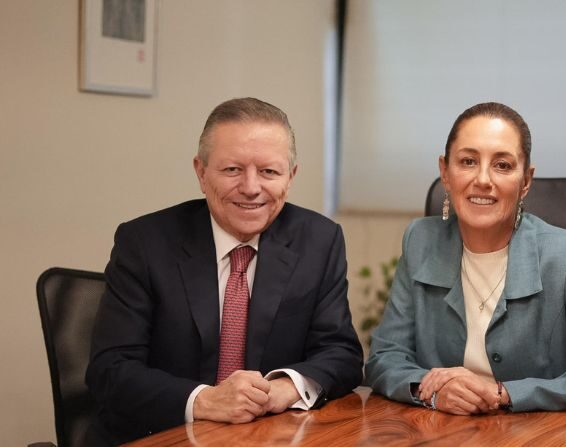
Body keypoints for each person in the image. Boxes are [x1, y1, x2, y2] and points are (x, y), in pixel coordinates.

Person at [86, 97, 364, 444]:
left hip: (265, 437)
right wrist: (205, 400)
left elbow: (342, 353)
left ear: (290, 177)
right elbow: (110, 371)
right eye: (232, 169)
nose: (251, 187)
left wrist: (286, 387)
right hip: (159, 436)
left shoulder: (319, 240)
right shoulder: (144, 243)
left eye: (269, 171)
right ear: (201, 172)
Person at [365, 102, 566, 415]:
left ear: (526, 181)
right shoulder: (420, 241)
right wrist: (433, 390)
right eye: (468, 161)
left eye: (503, 166)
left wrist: (503, 393)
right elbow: (384, 357)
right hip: (444, 435)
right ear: (445, 172)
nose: (482, 179)